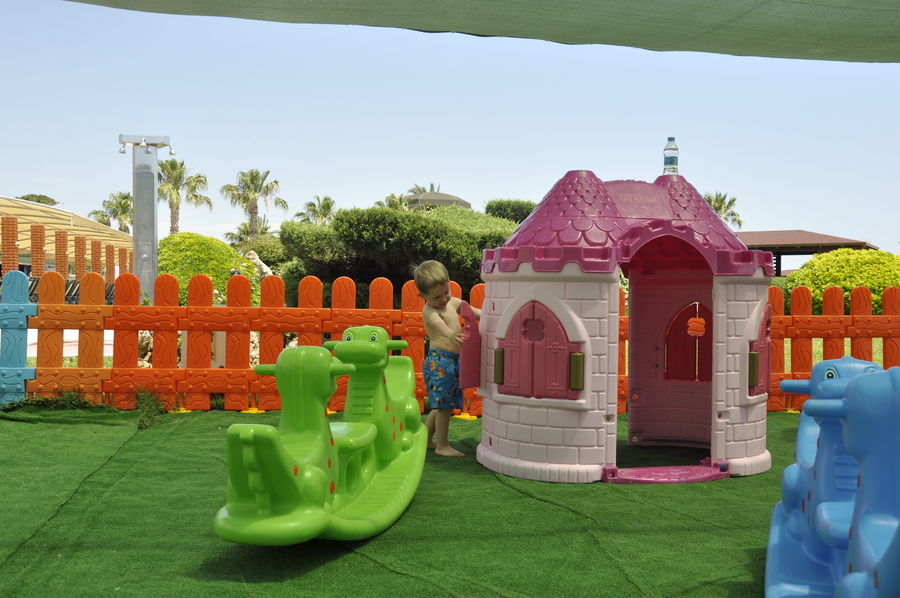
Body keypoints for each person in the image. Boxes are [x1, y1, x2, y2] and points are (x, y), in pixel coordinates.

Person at [412, 260, 481, 457]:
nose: (443, 299)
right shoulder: (430, 310)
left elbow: (474, 312)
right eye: (437, 296)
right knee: (444, 407)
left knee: (441, 405)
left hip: (452, 362)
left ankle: (426, 440)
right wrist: (450, 333)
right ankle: (442, 445)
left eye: (446, 292)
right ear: (423, 296)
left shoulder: (453, 302)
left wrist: (491, 316)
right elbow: (438, 324)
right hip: (440, 362)